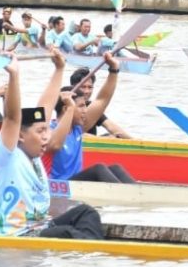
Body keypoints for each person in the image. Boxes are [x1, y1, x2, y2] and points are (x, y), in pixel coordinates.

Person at [0, 55, 104, 239]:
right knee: (67, 233)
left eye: (46, 130)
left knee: (86, 212)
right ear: (20, 135)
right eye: (40, 131)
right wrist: (14, 75)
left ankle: (94, 252)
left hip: (38, 228)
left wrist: (59, 68)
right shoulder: (7, 156)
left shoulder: (34, 156)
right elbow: (12, 118)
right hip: (15, 237)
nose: (46, 137)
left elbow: (45, 107)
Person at [44, 53, 136, 183]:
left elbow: (102, 100)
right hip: (58, 186)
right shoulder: (48, 131)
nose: (85, 110)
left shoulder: (76, 129)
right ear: (66, 108)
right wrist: (70, 108)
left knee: (116, 168)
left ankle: (136, 193)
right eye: (81, 106)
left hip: (76, 183)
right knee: (99, 169)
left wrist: (113, 69)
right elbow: (55, 145)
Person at [69, 67, 131, 139]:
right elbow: (71, 134)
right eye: (83, 87)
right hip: (72, 141)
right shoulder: (66, 105)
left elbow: (112, 127)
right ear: (73, 87)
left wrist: (136, 141)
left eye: (90, 87)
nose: (87, 91)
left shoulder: (91, 106)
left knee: (114, 136)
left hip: (89, 141)